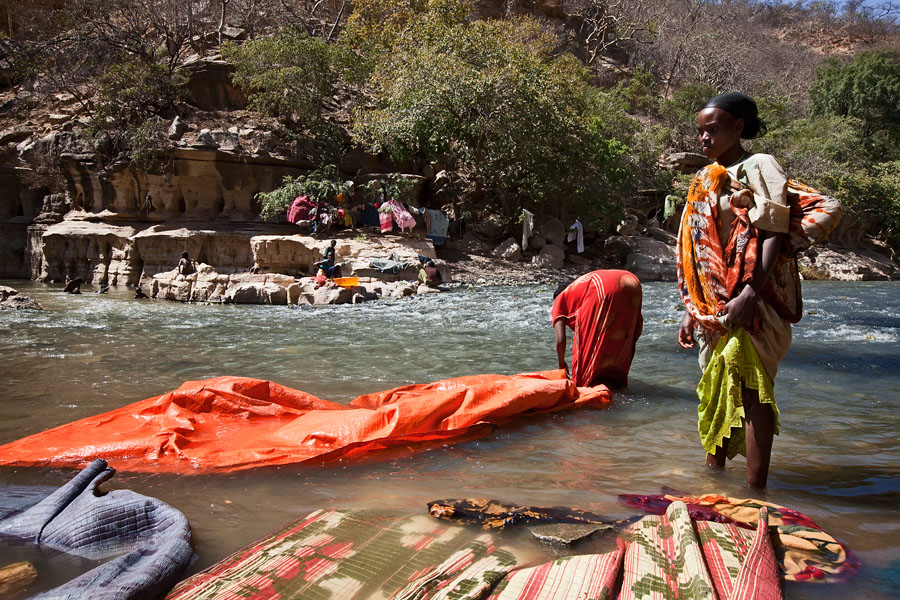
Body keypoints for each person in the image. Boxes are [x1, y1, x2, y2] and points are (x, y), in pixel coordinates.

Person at [677, 92, 795, 489]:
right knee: (716, 384)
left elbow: (773, 233)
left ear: (737, 128)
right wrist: (691, 308)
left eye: (712, 130)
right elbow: (698, 251)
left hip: (750, 298)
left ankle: (754, 491)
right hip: (712, 304)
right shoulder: (705, 178)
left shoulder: (760, 166)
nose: (704, 139)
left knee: (751, 387)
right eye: (700, 132)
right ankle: (714, 481)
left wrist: (750, 294)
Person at [552, 270, 643, 389]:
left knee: (584, 363)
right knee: (622, 335)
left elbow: (560, 339)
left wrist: (562, 363)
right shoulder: (582, 288)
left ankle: (586, 384)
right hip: (632, 281)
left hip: (603, 287)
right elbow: (636, 327)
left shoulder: (561, 298)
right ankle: (616, 382)